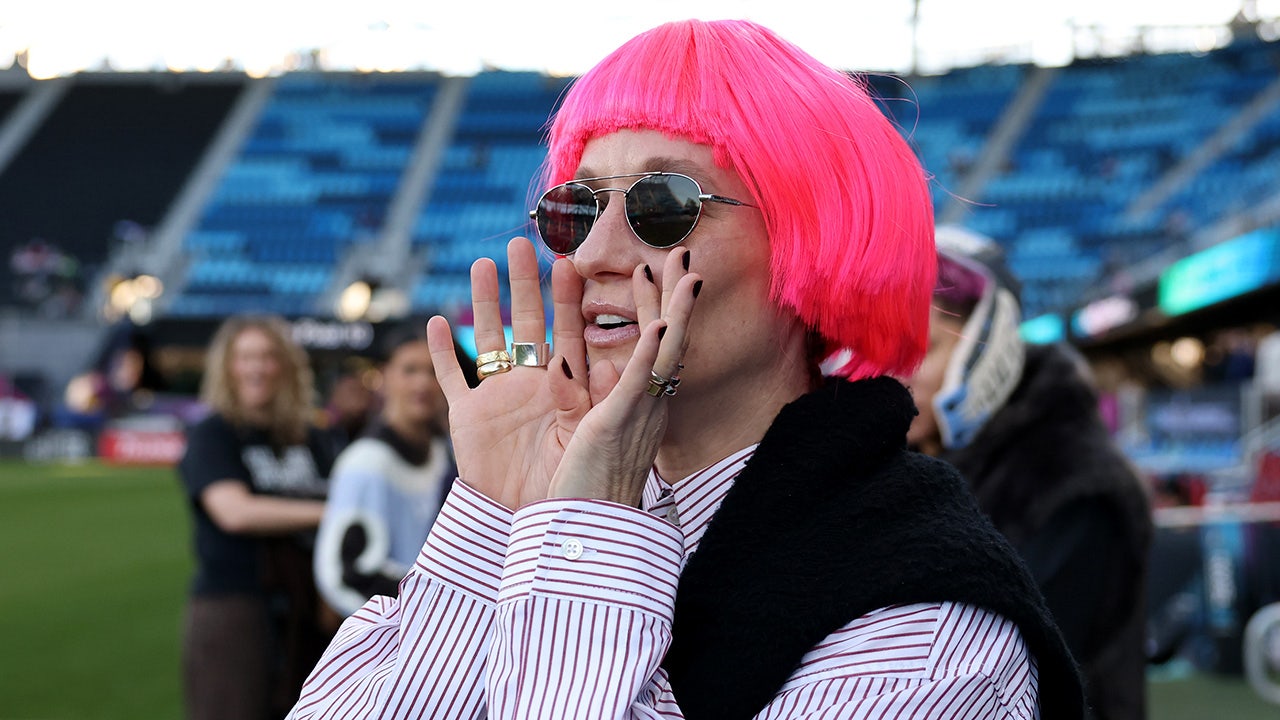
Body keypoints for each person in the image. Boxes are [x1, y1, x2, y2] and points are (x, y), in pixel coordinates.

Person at [289, 19, 1084, 720]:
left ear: (810, 245)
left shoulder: (926, 631)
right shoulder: (557, 495)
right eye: (576, 207)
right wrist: (498, 511)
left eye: (662, 205)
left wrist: (587, 535)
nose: (592, 254)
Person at [904, 225, 1152, 720]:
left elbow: (1001, 680)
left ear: (986, 351)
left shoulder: (1074, 484)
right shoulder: (909, 464)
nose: (895, 372)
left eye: (922, 350)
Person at [177, 315, 336, 720]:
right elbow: (234, 512)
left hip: (307, 608)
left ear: (286, 367)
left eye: (268, 357)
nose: (257, 368)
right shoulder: (213, 434)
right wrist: (330, 513)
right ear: (228, 367)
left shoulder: (311, 438)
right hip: (235, 606)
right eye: (245, 357)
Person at [312, 325, 475, 616]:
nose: (423, 383)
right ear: (384, 375)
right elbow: (343, 575)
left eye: (433, 371)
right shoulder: (366, 463)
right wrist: (405, 623)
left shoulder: (444, 453)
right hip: (401, 630)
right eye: (409, 370)